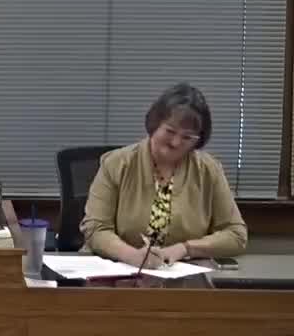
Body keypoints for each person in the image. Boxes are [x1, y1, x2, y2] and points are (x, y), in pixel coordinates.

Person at [81, 83, 247, 268]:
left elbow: (236, 235)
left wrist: (185, 249)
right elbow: (95, 229)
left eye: (187, 137)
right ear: (155, 124)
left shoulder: (209, 170)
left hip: (181, 275)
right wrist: (132, 256)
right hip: (119, 271)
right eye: (170, 131)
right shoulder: (116, 164)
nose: (175, 142)